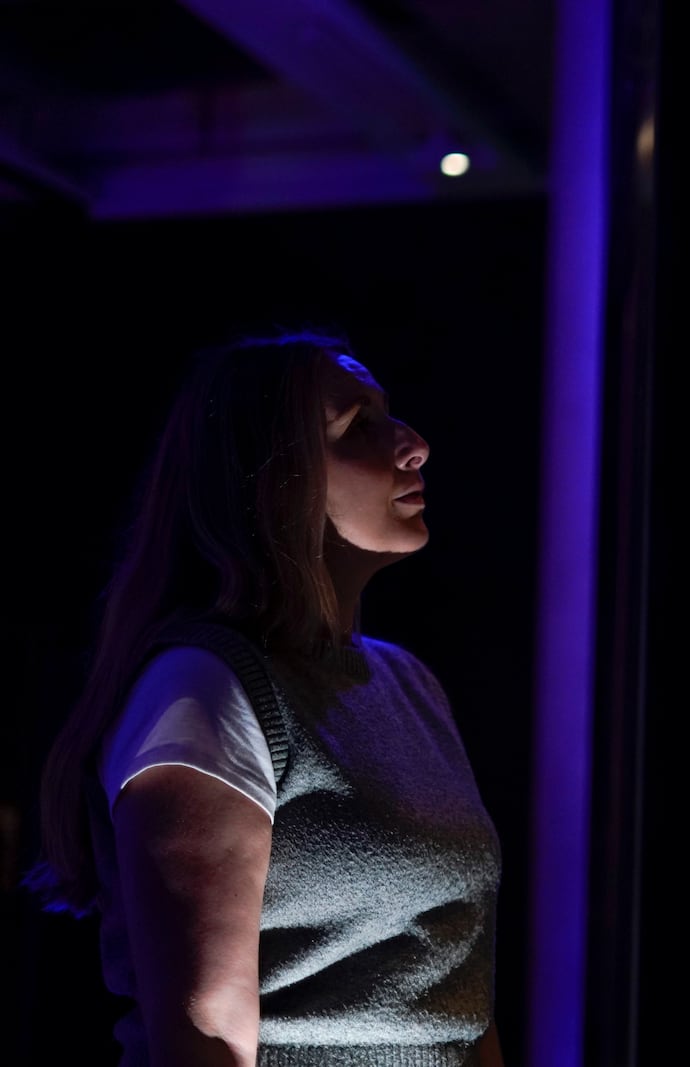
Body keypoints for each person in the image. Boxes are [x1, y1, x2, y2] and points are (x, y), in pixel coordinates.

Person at [26, 330, 503, 1066]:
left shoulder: (411, 685)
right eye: (358, 426)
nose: (413, 445)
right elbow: (205, 1035)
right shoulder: (204, 687)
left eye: (391, 415)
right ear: (271, 476)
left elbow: (459, 1001)